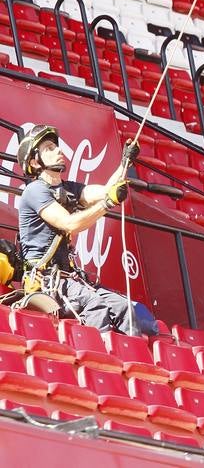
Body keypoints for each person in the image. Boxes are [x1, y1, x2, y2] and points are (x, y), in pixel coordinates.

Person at [17, 124, 142, 334]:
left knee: (124, 308)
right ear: (33, 161)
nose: (59, 150)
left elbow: (105, 192)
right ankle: (101, 362)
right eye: (49, 148)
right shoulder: (34, 190)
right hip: (47, 282)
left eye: (56, 147)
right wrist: (107, 204)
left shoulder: (68, 189)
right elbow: (70, 224)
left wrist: (124, 163)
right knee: (95, 305)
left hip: (70, 278)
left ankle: (134, 364)